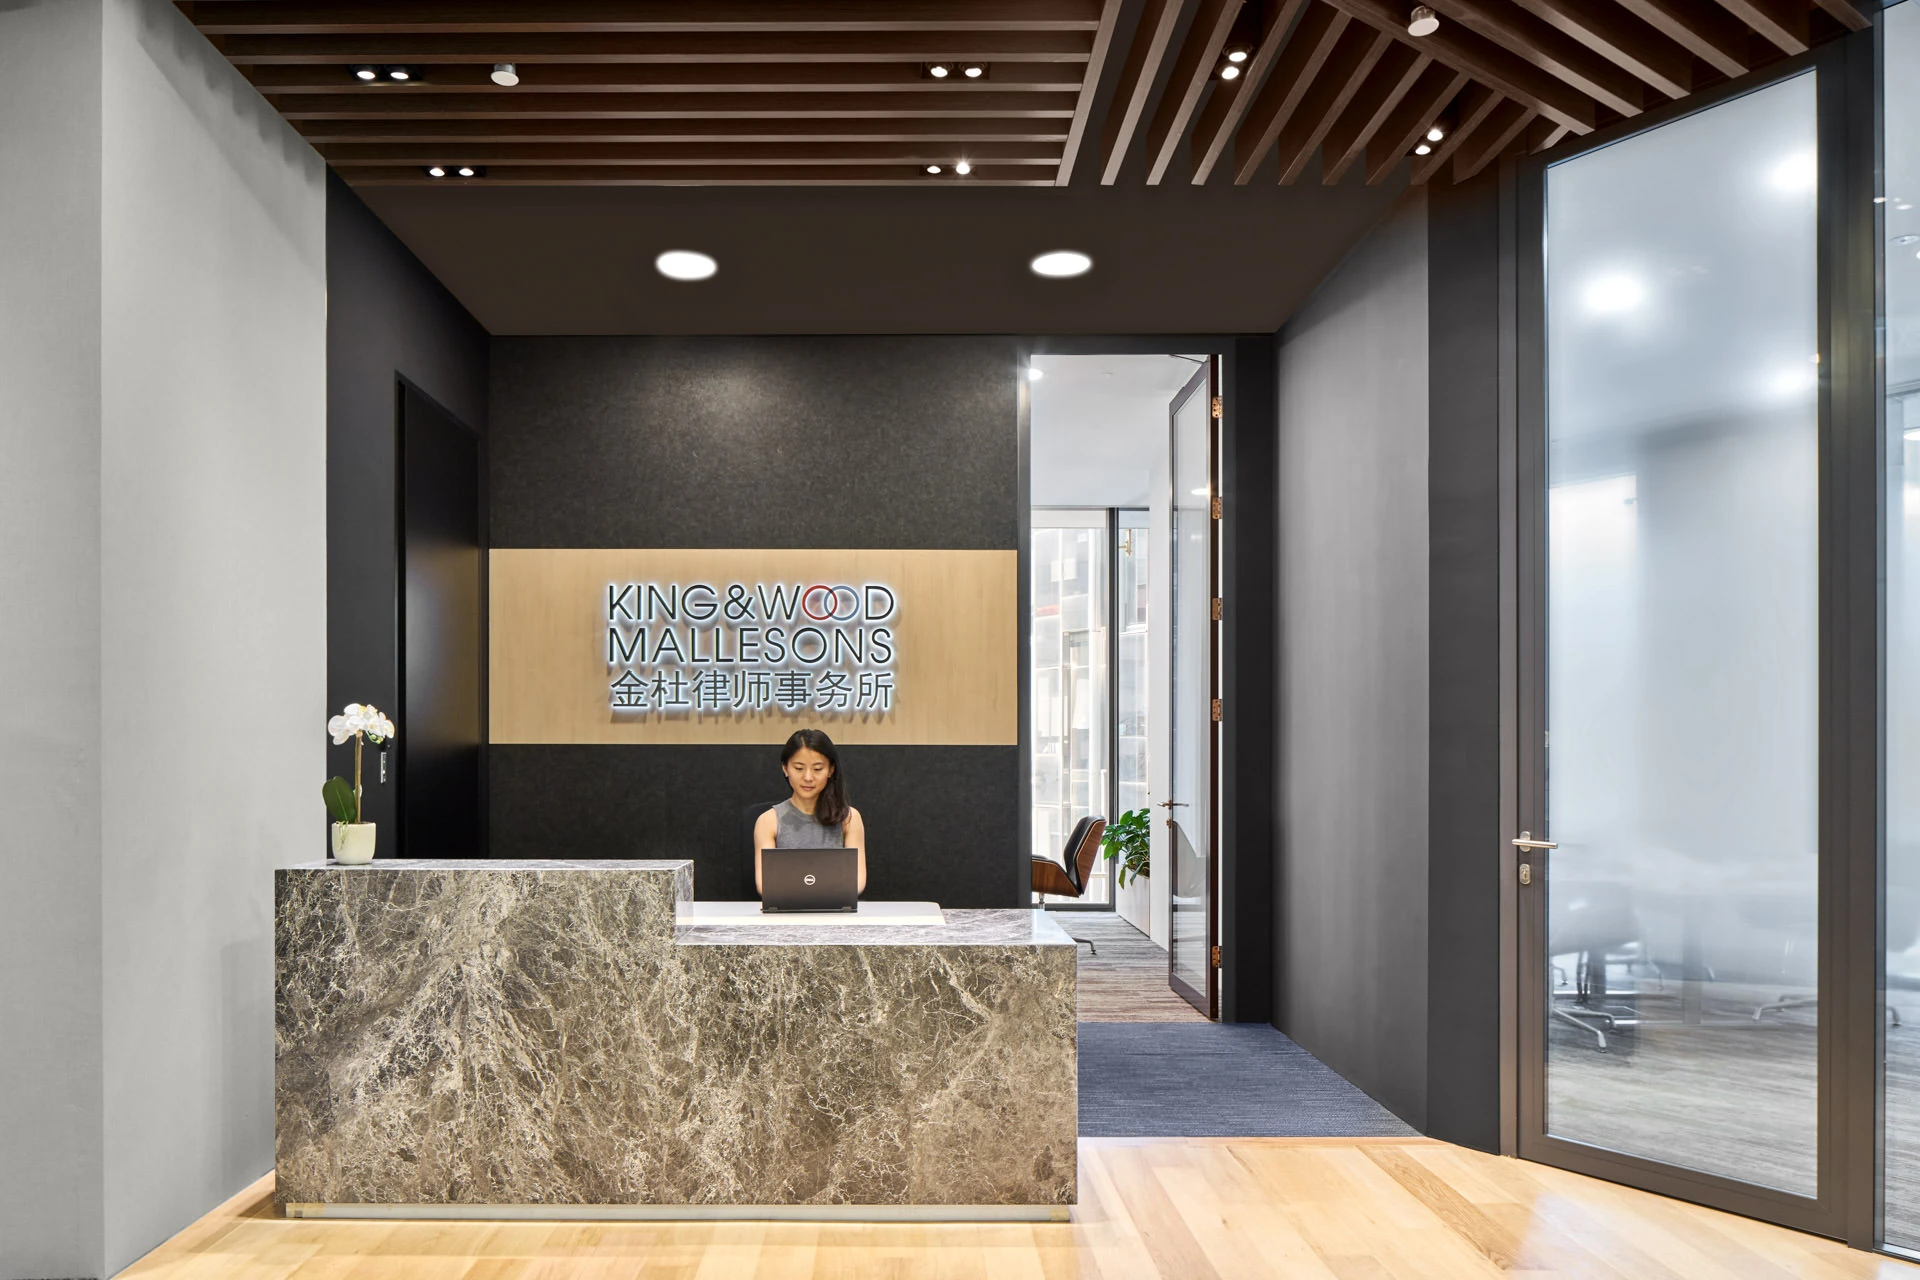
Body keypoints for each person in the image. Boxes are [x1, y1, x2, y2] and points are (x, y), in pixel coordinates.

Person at [754, 728, 867, 896]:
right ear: (785, 769)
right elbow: (765, 884)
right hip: (785, 915)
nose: (808, 777)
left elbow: (857, 881)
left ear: (830, 770)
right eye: (799, 768)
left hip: (836, 913)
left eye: (817, 769)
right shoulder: (768, 821)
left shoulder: (849, 818)